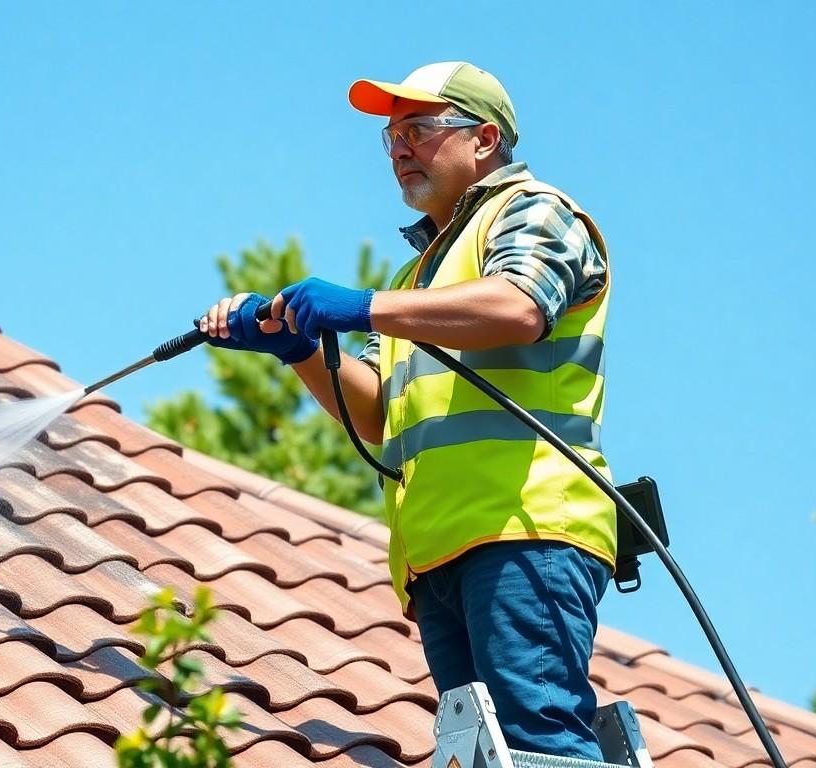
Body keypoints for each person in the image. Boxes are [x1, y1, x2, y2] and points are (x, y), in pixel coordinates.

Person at [197, 61, 616, 760]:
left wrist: (363, 308)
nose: (397, 147)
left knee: (539, 747)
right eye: (391, 135)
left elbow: (518, 305)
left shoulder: (534, 210)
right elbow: (377, 418)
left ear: (484, 140)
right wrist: (302, 350)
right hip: (438, 556)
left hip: (525, 529)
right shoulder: (414, 279)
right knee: (485, 757)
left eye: (418, 129)